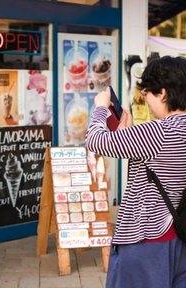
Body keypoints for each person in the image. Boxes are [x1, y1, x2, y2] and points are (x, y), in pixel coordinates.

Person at [85, 56, 186, 288]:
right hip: (179, 238)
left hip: (146, 240)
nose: (144, 98)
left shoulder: (158, 131)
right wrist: (128, 134)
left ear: (162, 93)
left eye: (147, 92)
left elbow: (95, 140)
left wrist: (101, 108)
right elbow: (161, 164)